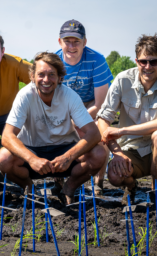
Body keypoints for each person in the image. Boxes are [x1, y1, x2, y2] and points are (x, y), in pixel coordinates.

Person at [0, 52, 106, 205]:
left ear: (60, 77)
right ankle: (28, 186)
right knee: (3, 158)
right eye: (41, 74)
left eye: (52, 75)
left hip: (64, 148)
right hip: (32, 149)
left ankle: (69, 188)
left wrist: (68, 157)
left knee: (99, 153)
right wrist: (32, 159)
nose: (46, 80)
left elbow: (94, 134)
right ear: (32, 76)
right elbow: (7, 136)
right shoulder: (25, 96)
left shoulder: (70, 96)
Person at [97, 34, 157, 207]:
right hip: (132, 149)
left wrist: (122, 131)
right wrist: (117, 153)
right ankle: (131, 186)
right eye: (143, 61)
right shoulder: (123, 80)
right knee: (114, 176)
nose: (148, 67)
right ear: (136, 61)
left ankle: (156, 197)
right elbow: (102, 119)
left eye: (153, 61)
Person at [56, 19, 113, 194]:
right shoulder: (54, 61)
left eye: (77, 41)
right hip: (64, 106)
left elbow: (100, 104)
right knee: (55, 133)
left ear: (85, 42)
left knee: (100, 134)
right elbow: (51, 98)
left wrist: (79, 120)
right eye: (67, 41)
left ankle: (98, 182)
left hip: (91, 105)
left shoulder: (97, 60)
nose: (72, 46)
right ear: (60, 42)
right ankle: (58, 179)